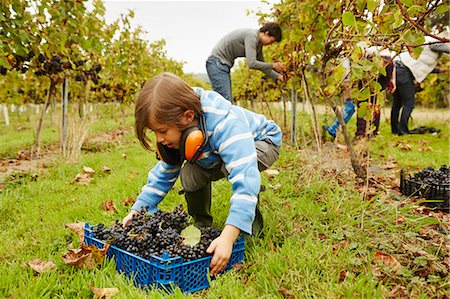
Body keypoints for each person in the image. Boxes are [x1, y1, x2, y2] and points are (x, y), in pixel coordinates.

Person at [122, 72, 282, 276]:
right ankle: (202, 223)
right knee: (189, 172)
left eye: (162, 130)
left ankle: (249, 226)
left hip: (262, 142)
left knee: (232, 168)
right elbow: (163, 173)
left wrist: (228, 237)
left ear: (188, 117)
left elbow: (244, 175)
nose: (159, 139)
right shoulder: (180, 126)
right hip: (216, 151)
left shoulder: (226, 124)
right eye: (155, 132)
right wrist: (137, 211)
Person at [324, 48, 396, 140]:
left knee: (363, 99)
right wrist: (393, 79)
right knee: (376, 98)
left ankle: (361, 134)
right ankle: (373, 133)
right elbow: (394, 56)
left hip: (371, 60)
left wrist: (347, 88)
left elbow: (346, 69)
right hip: (388, 61)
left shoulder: (351, 49)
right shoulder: (385, 42)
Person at [206, 22, 286, 102]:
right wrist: (273, 65)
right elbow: (251, 63)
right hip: (217, 63)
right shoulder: (252, 36)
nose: (270, 44)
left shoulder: (258, 44)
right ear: (266, 33)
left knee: (224, 102)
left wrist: (279, 77)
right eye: (271, 41)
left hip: (221, 65)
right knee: (225, 102)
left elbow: (263, 66)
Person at [391, 33, 450, 135]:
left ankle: (396, 130)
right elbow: (438, 46)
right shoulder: (433, 41)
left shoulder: (428, 47)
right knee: (409, 104)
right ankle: (403, 131)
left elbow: (423, 66)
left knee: (398, 102)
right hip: (404, 71)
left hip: (398, 69)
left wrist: (442, 70)